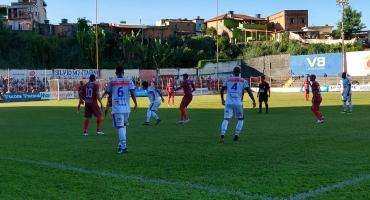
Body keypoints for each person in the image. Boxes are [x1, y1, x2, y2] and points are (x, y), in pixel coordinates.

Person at [106, 66, 138, 154]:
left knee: (120, 127)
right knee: (123, 126)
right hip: (127, 108)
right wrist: (136, 104)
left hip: (117, 108)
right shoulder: (129, 81)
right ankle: (120, 144)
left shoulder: (112, 82)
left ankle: (124, 147)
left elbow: (108, 92)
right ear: (123, 72)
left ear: (116, 73)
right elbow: (132, 92)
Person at [220, 67, 256, 142]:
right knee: (241, 119)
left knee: (226, 119)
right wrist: (253, 100)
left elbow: (222, 90)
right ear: (239, 72)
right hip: (238, 103)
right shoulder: (243, 80)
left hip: (228, 102)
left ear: (233, 72)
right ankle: (236, 136)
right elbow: (249, 91)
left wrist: (222, 99)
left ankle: (222, 135)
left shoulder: (227, 80)